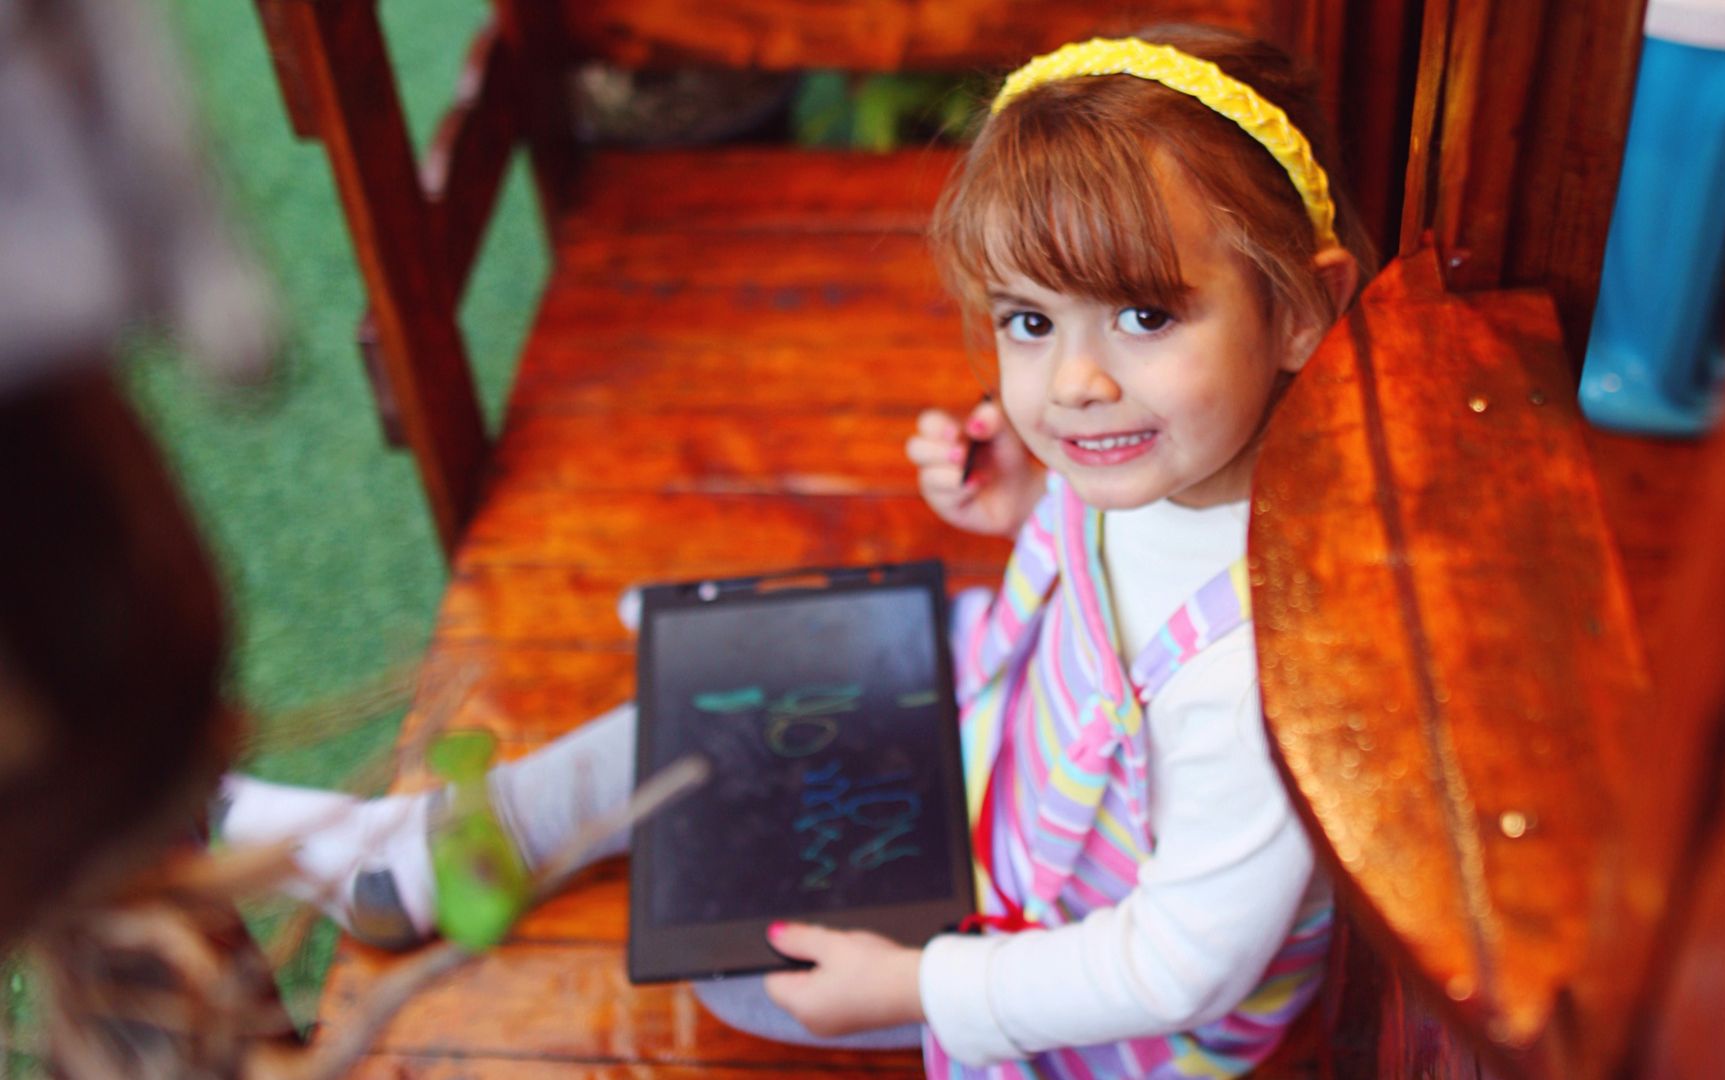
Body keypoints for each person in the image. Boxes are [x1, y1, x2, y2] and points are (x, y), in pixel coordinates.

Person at [219, 23, 1375, 1077]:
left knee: (739, 963)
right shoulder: (1163, 455)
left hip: (1068, 953)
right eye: (1031, 321)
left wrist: (923, 986)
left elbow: (1182, 966)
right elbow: (1128, 561)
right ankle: (421, 857)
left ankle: (441, 855)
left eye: (1146, 316)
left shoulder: (1258, 677)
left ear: (1298, 311)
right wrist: (1029, 502)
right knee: (724, 703)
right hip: (1002, 753)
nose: (1074, 384)